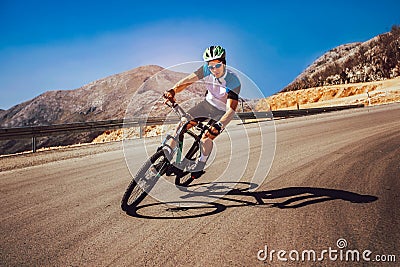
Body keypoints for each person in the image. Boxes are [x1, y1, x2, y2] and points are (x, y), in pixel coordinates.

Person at [163, 45, 241, 178]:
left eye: (217, 65)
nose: (214, 69)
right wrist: (173, 90)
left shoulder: (233, 81)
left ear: (224, 63)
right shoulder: (205, 70)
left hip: (221, 112)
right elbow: (186, 82)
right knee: (181, 125)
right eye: (211, 66)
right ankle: (166, 153)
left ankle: (200, 164)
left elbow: (231, 110)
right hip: (206, 104)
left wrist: (219, 125)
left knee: (206, 137)